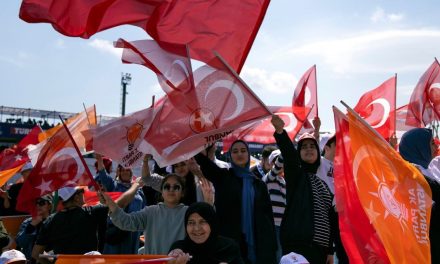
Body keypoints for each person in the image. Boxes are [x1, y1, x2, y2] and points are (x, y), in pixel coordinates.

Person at [195, 140, 277, 264]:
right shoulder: (223, 177)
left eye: (243, 151)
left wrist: (272, 244)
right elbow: (204, 163)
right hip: (230, 240)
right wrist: (209, 143)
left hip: (257, 241)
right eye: (235, 151)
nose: (239, 154)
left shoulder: (258, 184)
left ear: (248, 155)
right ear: (230, 155)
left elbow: (268, 216)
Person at [271, 115, 334, 264]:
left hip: (321, 251)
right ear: (298, 153)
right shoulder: (297, 176)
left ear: (319, 153)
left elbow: (329, 219)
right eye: (304, 147)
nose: (308, 149)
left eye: (312, 147)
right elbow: (289, 156)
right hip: (298, 247)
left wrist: (330, 251)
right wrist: (281, 132)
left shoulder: (324, 185)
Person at [101, 174, 188, 255]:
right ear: (161, 191)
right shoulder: (150, 212)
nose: (171, 189)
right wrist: (109, 202)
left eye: (176, 187)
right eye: (167, 186)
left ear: (182, 192)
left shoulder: (188, 213)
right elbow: (126, 221)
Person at [31, 186, 108, 263]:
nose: (84, 193)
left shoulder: (50, 221)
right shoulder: (92, 212)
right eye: (82, 191)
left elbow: (36, 253)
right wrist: (105, 198)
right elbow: (116, 206)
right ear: (76, 197)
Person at [399, 128, 440, 264]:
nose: (436, 146)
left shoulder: (427, 171)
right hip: (423, 247)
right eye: (432, 143)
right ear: (419, 147)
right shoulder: (410, 174)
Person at [95, 153, 146, 254]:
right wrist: (99, 159)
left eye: (127, 170)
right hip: (117, 228)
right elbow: (103, 174)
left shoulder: (139, 189)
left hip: (133, 232)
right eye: (122, 170)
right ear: (118, 172)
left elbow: (144, 209)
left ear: (131, 172)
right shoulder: (113, 186)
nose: (125, 172)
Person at [168, 202, 244, 264]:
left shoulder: (229, 248)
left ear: (212, 224)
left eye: (202, 221)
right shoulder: (180, 250)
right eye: (191, 222)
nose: (197, 228)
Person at [142, 155, 214, 206]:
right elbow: (147, 179)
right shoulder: (167, 183)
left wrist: (197, 172)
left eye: (183, 164)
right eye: (176, 166)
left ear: (189, 164)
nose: (180, 168)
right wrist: (145, 161)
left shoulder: (199, 184)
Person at [262, 149, 286, 263]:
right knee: (278, 255)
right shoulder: (268, 178)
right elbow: (278, 165)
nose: (281, 163)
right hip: (273, 225)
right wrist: (284, 148)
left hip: (283, 226)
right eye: (276, 161)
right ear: (272, 164)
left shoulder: (284, 181)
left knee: (283, 254)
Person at [15, 194, 53, 259]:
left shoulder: (55, 221)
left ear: (50, 206)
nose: (38, 205)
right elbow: (20, 243)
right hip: (30, 260)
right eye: (36, 203)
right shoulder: (28, 222)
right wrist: (32, 226)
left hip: (48, 259)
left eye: (41, 203)